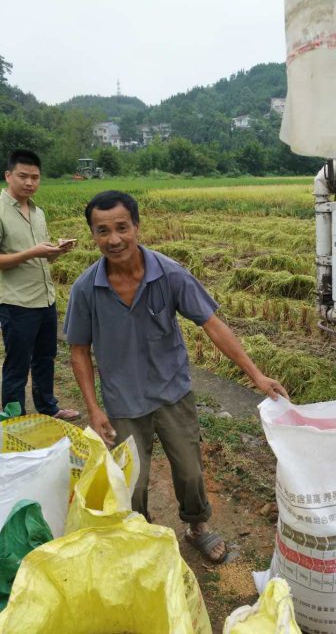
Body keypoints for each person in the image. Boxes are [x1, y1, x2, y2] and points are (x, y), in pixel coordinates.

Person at [64, 190, 288, 563]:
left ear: (136, 226)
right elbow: (79, 351)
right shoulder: (86, 289)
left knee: (189, 472)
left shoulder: (169, 274)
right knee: (131, 483)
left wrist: (256, 375)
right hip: (123, 401)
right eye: (102, 231)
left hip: (172, 393)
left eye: (122, 227)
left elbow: (212, 324)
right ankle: (140, 533)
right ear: (93, 235)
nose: (114, 239)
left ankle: (197, 526)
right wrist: (93, 408)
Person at [0, 149, 79, 420]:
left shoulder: (38, 212)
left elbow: (40, 256)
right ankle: (14, 419)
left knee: (46, 358)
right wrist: (33, 252)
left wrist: (55, 252)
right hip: (16, 301)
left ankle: (48, 407)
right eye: (23, 176)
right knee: (17, 365)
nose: (29, 182)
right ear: (8, 175)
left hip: (45, 298)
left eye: (35, 177)